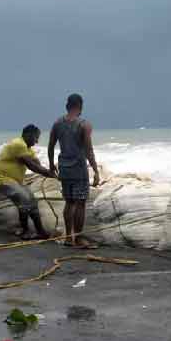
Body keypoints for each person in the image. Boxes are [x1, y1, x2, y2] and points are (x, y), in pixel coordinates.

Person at [48, 93, 100, 248]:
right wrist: (96, 171)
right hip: (78, 168)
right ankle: (78, 238)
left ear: (67, 106)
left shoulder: (58, 123)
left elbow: (50, 146)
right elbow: (89, 150)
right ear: (80, 107)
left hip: (64, 167)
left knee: (69, 202)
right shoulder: (84, 125)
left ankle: (68, 238)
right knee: (80, 203)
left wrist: (51, 165)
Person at [0, 124, 56, 240]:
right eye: (36, 137)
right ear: (28, 135)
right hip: (3, 179)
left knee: (32, 201)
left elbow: (37, 164)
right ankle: (25, 231)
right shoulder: (18, 144)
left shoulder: (28, 149)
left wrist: (51, 171)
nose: (37, 141)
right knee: (25, 199)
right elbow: (31, 165)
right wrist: (48, 173)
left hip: (15, 181)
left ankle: (40, 231)